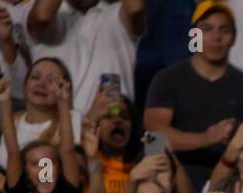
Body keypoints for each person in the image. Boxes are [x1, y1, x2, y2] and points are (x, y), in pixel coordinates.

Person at [142, 2, 243, 191]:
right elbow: (153, 137)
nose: (216, 37)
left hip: (232, 186)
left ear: (233, 38)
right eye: (207, 29)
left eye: (224, 30)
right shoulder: (167, 80)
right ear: (193, 37)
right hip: (176, 184)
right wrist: (207, 138)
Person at [16, 0, 146, 117]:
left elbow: (135, 8)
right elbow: (42, 17)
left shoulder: (117, 16)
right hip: (55, 136)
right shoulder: (34, 12)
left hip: (110, 133)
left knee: (155, 141)